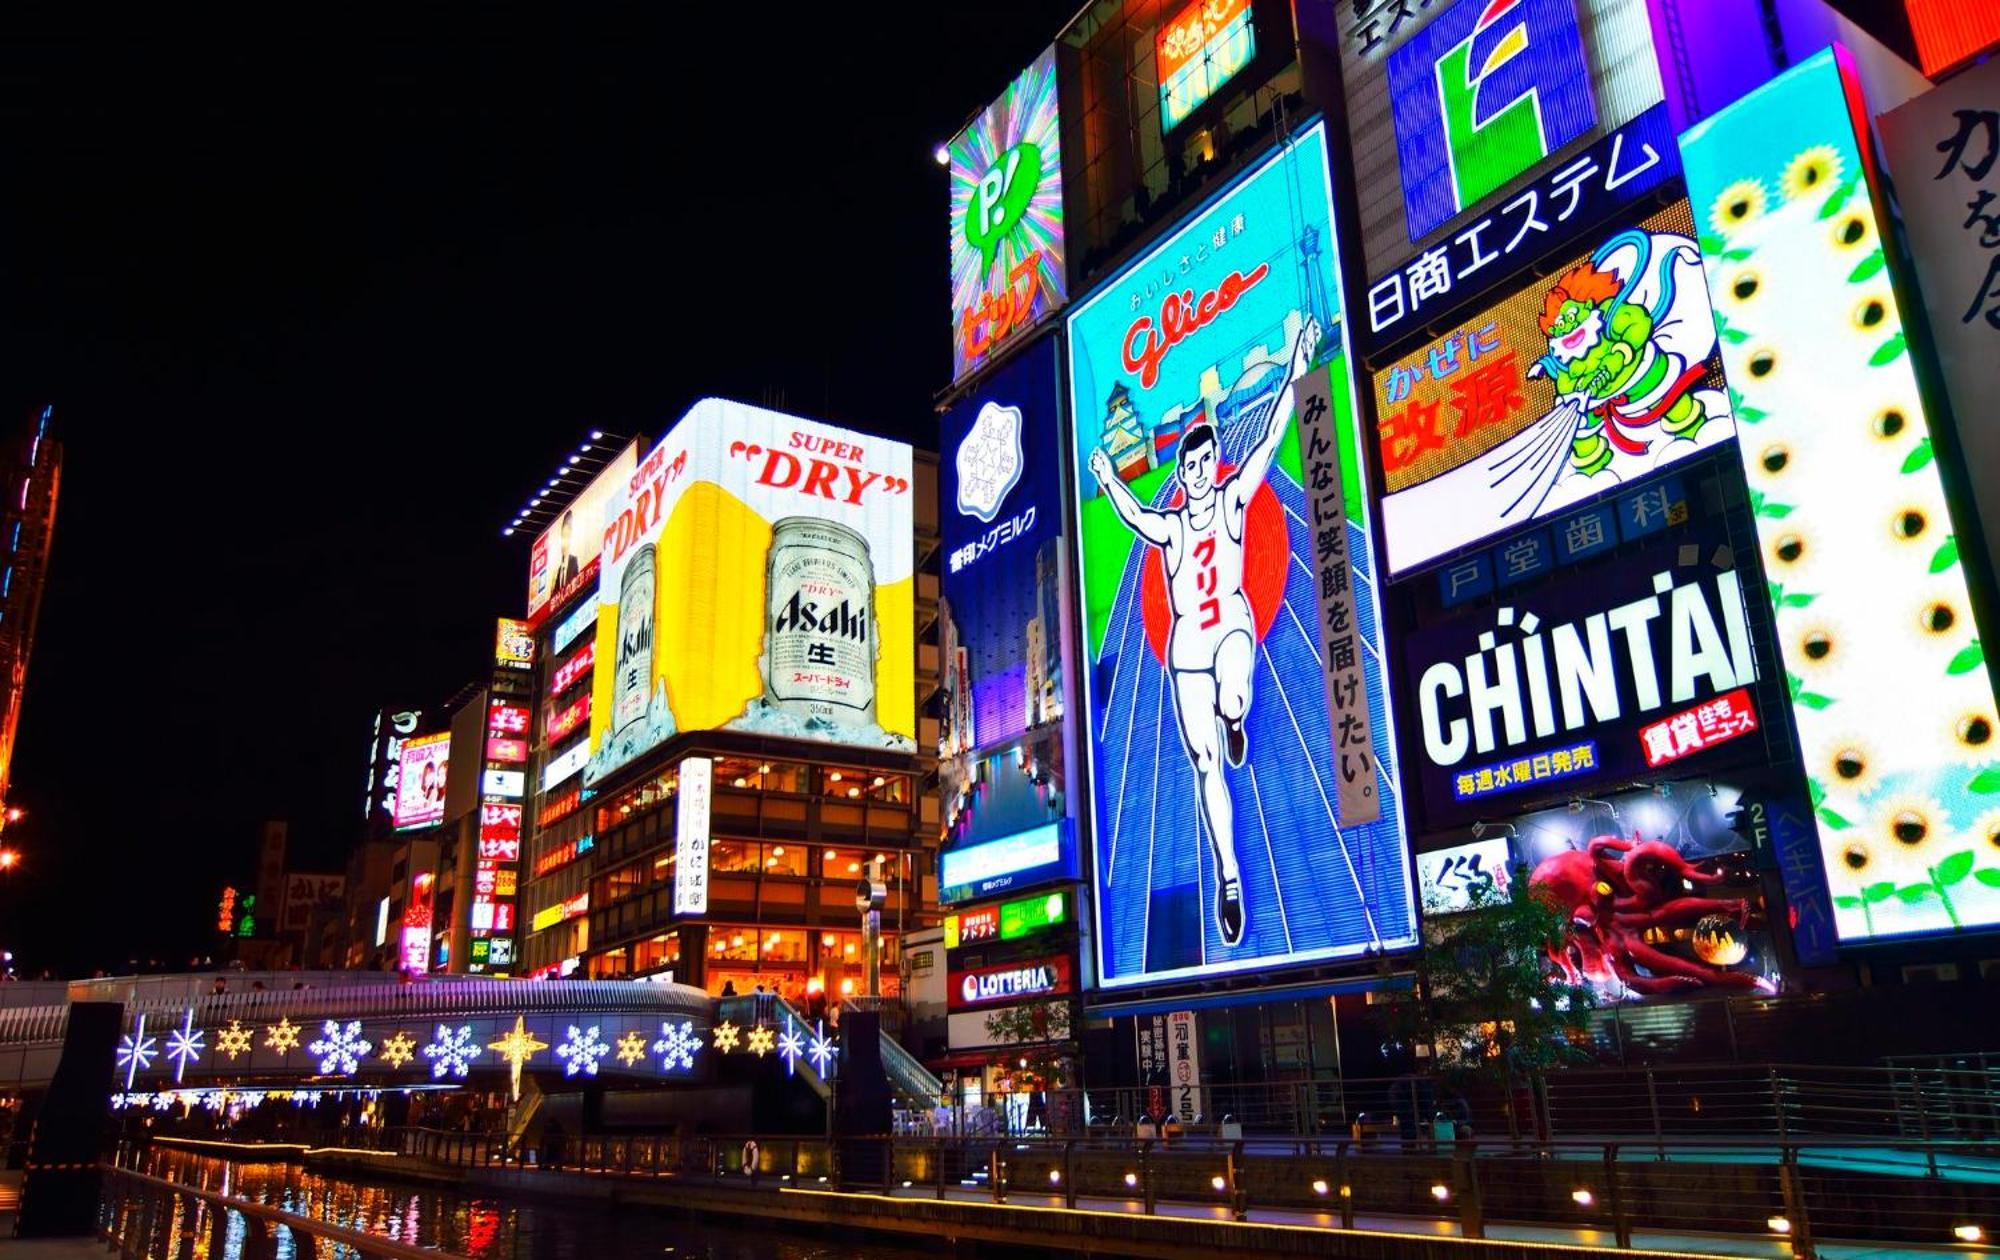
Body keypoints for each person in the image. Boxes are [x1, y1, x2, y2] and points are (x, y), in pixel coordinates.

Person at [1086, 316, 1321, 946]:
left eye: (1201, 459)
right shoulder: (1169, 524)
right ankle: (1230, 874)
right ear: (1181, 470)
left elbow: (1270, 439)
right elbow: (1137, 516)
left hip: (1234, 625)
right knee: (1204, 763)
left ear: (1210, 464)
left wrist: (1297, 366)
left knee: (1235, 697)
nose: (1193, 469)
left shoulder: (1232, 500)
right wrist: (1109, 479)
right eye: (1187, 462)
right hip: (1189, 645)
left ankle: (1237, 714)